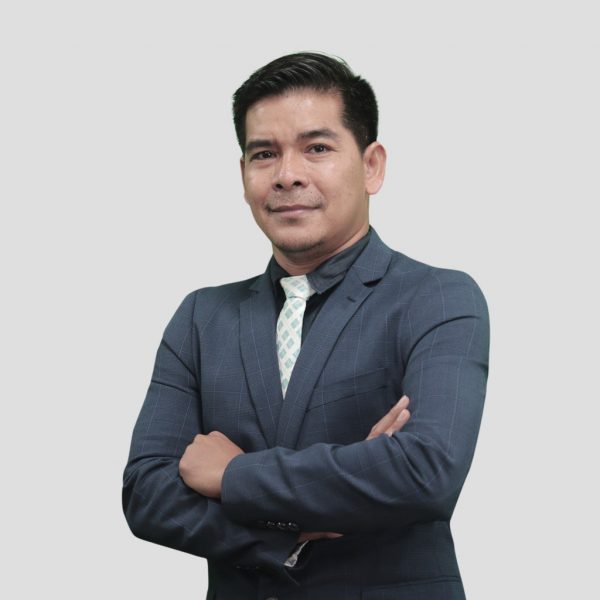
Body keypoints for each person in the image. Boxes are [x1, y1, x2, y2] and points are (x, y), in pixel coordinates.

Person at [122, 51, 490, 600]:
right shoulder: (202, 317)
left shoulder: (437, 298)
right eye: (264, 154)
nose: (287, 174)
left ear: (371, 166)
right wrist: (289, 533)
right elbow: (147, 494)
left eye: (317, 148)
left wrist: (232, 476)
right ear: (243, 174)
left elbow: (425, 472)